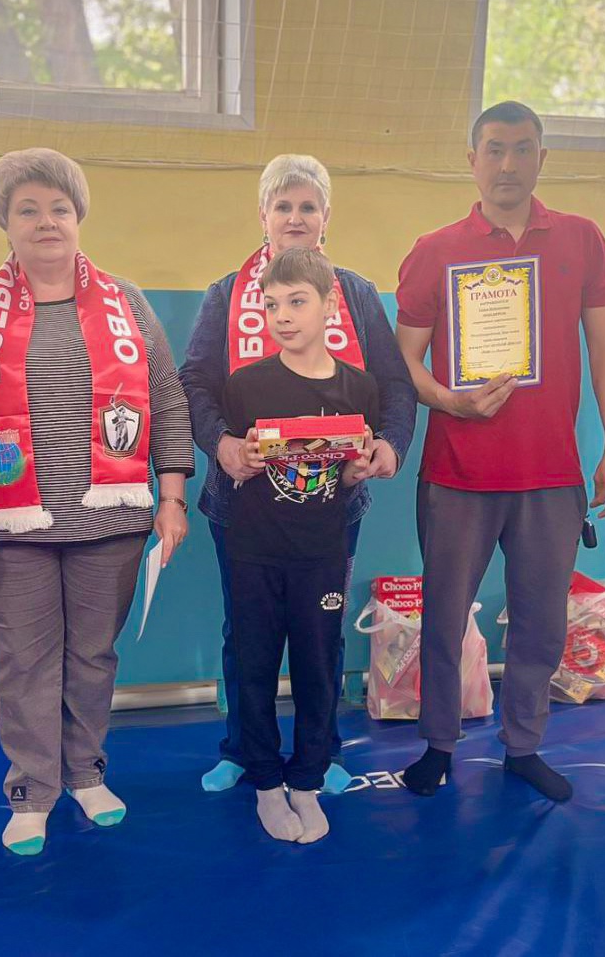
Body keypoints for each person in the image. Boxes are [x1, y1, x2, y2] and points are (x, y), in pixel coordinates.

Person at [395, 100, 605, 803]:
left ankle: (523, 745)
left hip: (551, 474)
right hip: (457, 473)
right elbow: (402, 361)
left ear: (541, 159)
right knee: (445, 619)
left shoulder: (582, 239)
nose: (507, 163)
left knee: (540, 624)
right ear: (472, 160)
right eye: (494, 149)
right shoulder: (435, 249)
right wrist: (451, 400)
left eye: (522, 148)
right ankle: (438, 744)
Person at [0, 149, 193, 854]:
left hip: (111, 519)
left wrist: (173, 495)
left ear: (78, 216)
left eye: (58, 208)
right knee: (22, 663)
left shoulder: (127, 301)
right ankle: (32, 791)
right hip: (9, 525)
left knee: (93, 657)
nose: (46, 222)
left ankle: (87, 773)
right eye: (28, 209)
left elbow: (167, 398)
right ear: (5, 221)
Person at [180, 154, 415, 794]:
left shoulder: (355, 294)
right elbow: (195, 382)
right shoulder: (227, 294)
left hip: (331, 504)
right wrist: (222, 443)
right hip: (242, 504)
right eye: (282, 206)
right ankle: (242, 748)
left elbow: (394, 384)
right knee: (246, 635)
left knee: (320, 634)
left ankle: (322, 751)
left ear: (325, 217)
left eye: (307, 206)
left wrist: (389, 447)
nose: (294, 217)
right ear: (263, 216)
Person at [223, 247, 380, 842]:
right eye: (271, 305)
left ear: (329, 305)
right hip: (255, 551)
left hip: (321, 554)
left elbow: (349, 468)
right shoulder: (246, 385)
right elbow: (233, 458)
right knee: (255, 669)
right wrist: (239, 456)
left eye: (296, 302)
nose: (282, 316)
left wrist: (359, 467)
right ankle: (266, 784)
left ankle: (307, 781)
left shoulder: (358, 387)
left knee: (317, 669)